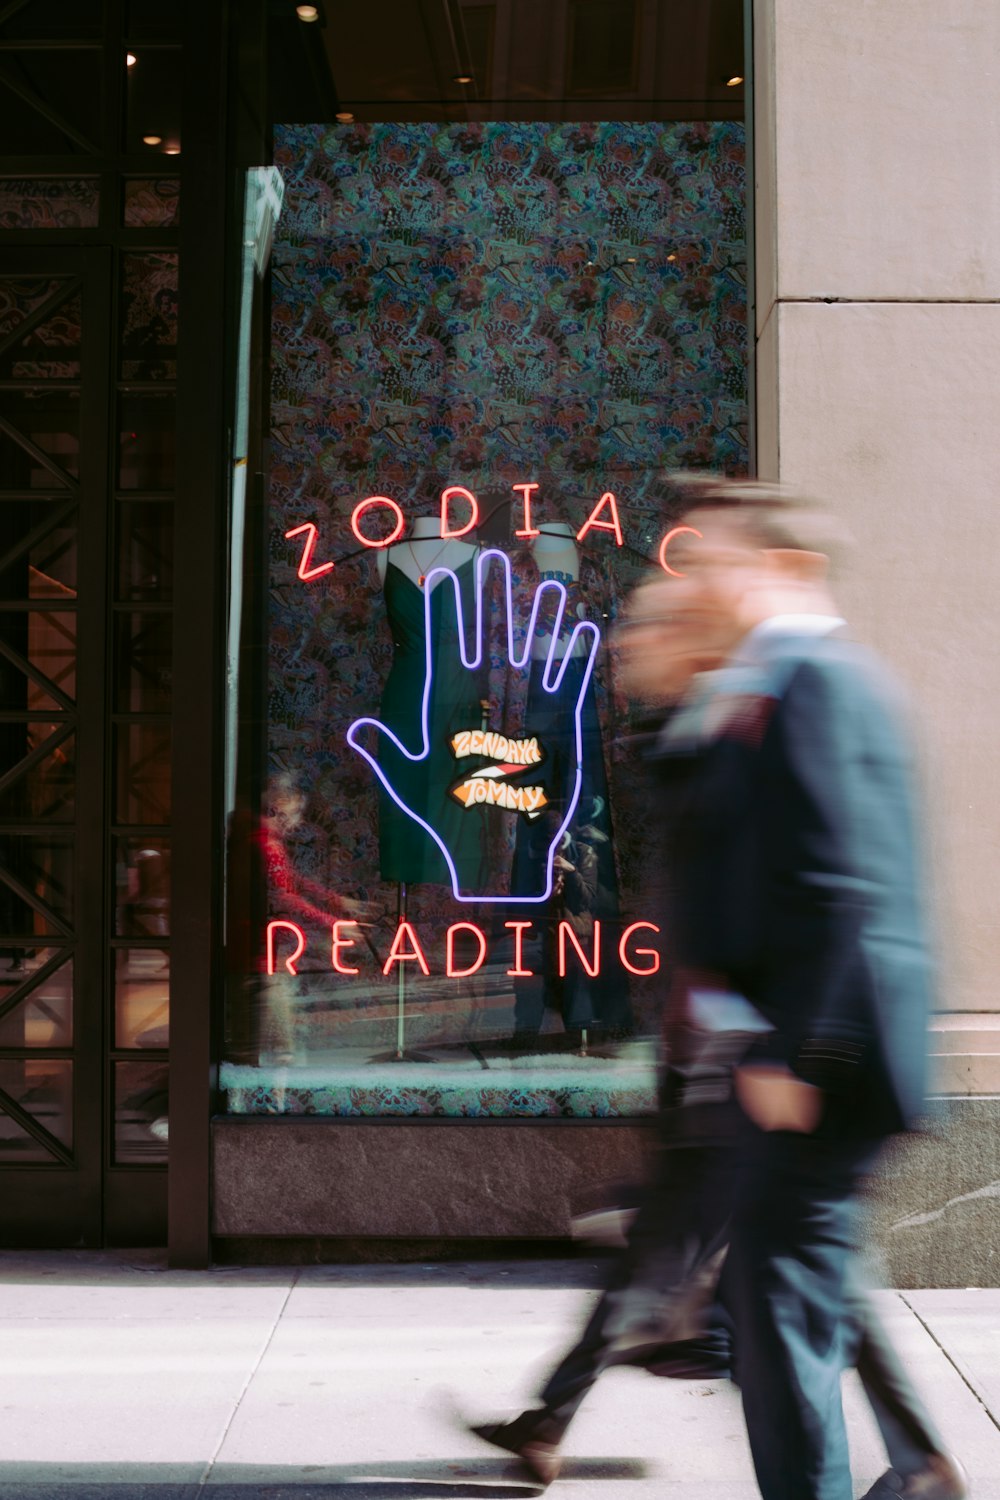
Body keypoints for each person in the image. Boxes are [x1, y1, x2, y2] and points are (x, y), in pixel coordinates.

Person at [463, 480, 965, 1500]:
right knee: (783, 1308)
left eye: (722, 557)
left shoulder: (816, 682)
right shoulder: (766, 685)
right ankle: (915, 1467)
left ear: (787, 570)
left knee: (781, 1318)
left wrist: (792, 1059)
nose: (699, 574)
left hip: (818, 1070)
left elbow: (848, 887)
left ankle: (905, 1467)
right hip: (776, 1066)